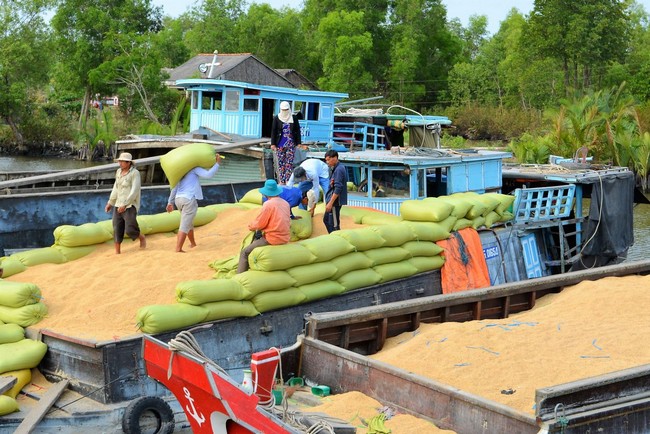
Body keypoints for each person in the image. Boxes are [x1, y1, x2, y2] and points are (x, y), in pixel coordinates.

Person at [166, 153, 223, 252]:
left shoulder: (180, 171)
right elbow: (208, 175)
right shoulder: (194, 169)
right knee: (185, 224)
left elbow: (174, 188)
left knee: (188, 223)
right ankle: (178, 248)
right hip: (188, 199)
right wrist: (217, 164)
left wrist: (170, 202)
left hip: (178, 199)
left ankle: (193, 243)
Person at [237, 179, 291, 273]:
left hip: (272, 239)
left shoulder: (268, 204)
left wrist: (251, 226)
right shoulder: (285, 203)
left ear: (266, 193)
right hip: (285, 237)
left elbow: (260, 223)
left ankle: (240, 275)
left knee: (245, 252)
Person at [105, 152, 146, 254]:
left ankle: (141, 237)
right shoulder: (118, 172)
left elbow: (135, 190)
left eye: (123, 161)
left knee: (130, 229)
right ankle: (117, 252)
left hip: (130, 205)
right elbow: (116, 188)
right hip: (117, 204)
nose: (120, 163)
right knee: (117, 227)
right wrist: (110, 202)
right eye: (120, 161)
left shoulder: (135, 173)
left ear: (128, 163)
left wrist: (125, 204)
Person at [271, 101, 301, 185]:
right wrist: (273, 143)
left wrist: (298, 142)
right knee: (281, 162)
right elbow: (273, 131)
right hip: (280, 143)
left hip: (291, 143)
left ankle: (288, 179)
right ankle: (282, 180)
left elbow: (297, 130)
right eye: (283, 110)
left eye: (286, 110)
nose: (285, 112)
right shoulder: (277, 118)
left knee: (289, 162)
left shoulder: (294, 118)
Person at [323, 149, 348, 233]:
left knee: (334, 224)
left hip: (335, 202)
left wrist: (330, 203)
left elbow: (338, 188)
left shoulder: (339, 169)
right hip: (331, 200)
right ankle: (332, 238)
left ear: (334, 158)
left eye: (328, 159)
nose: (327, 162)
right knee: (326, 220)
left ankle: (337, 239)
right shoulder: (334, 168)